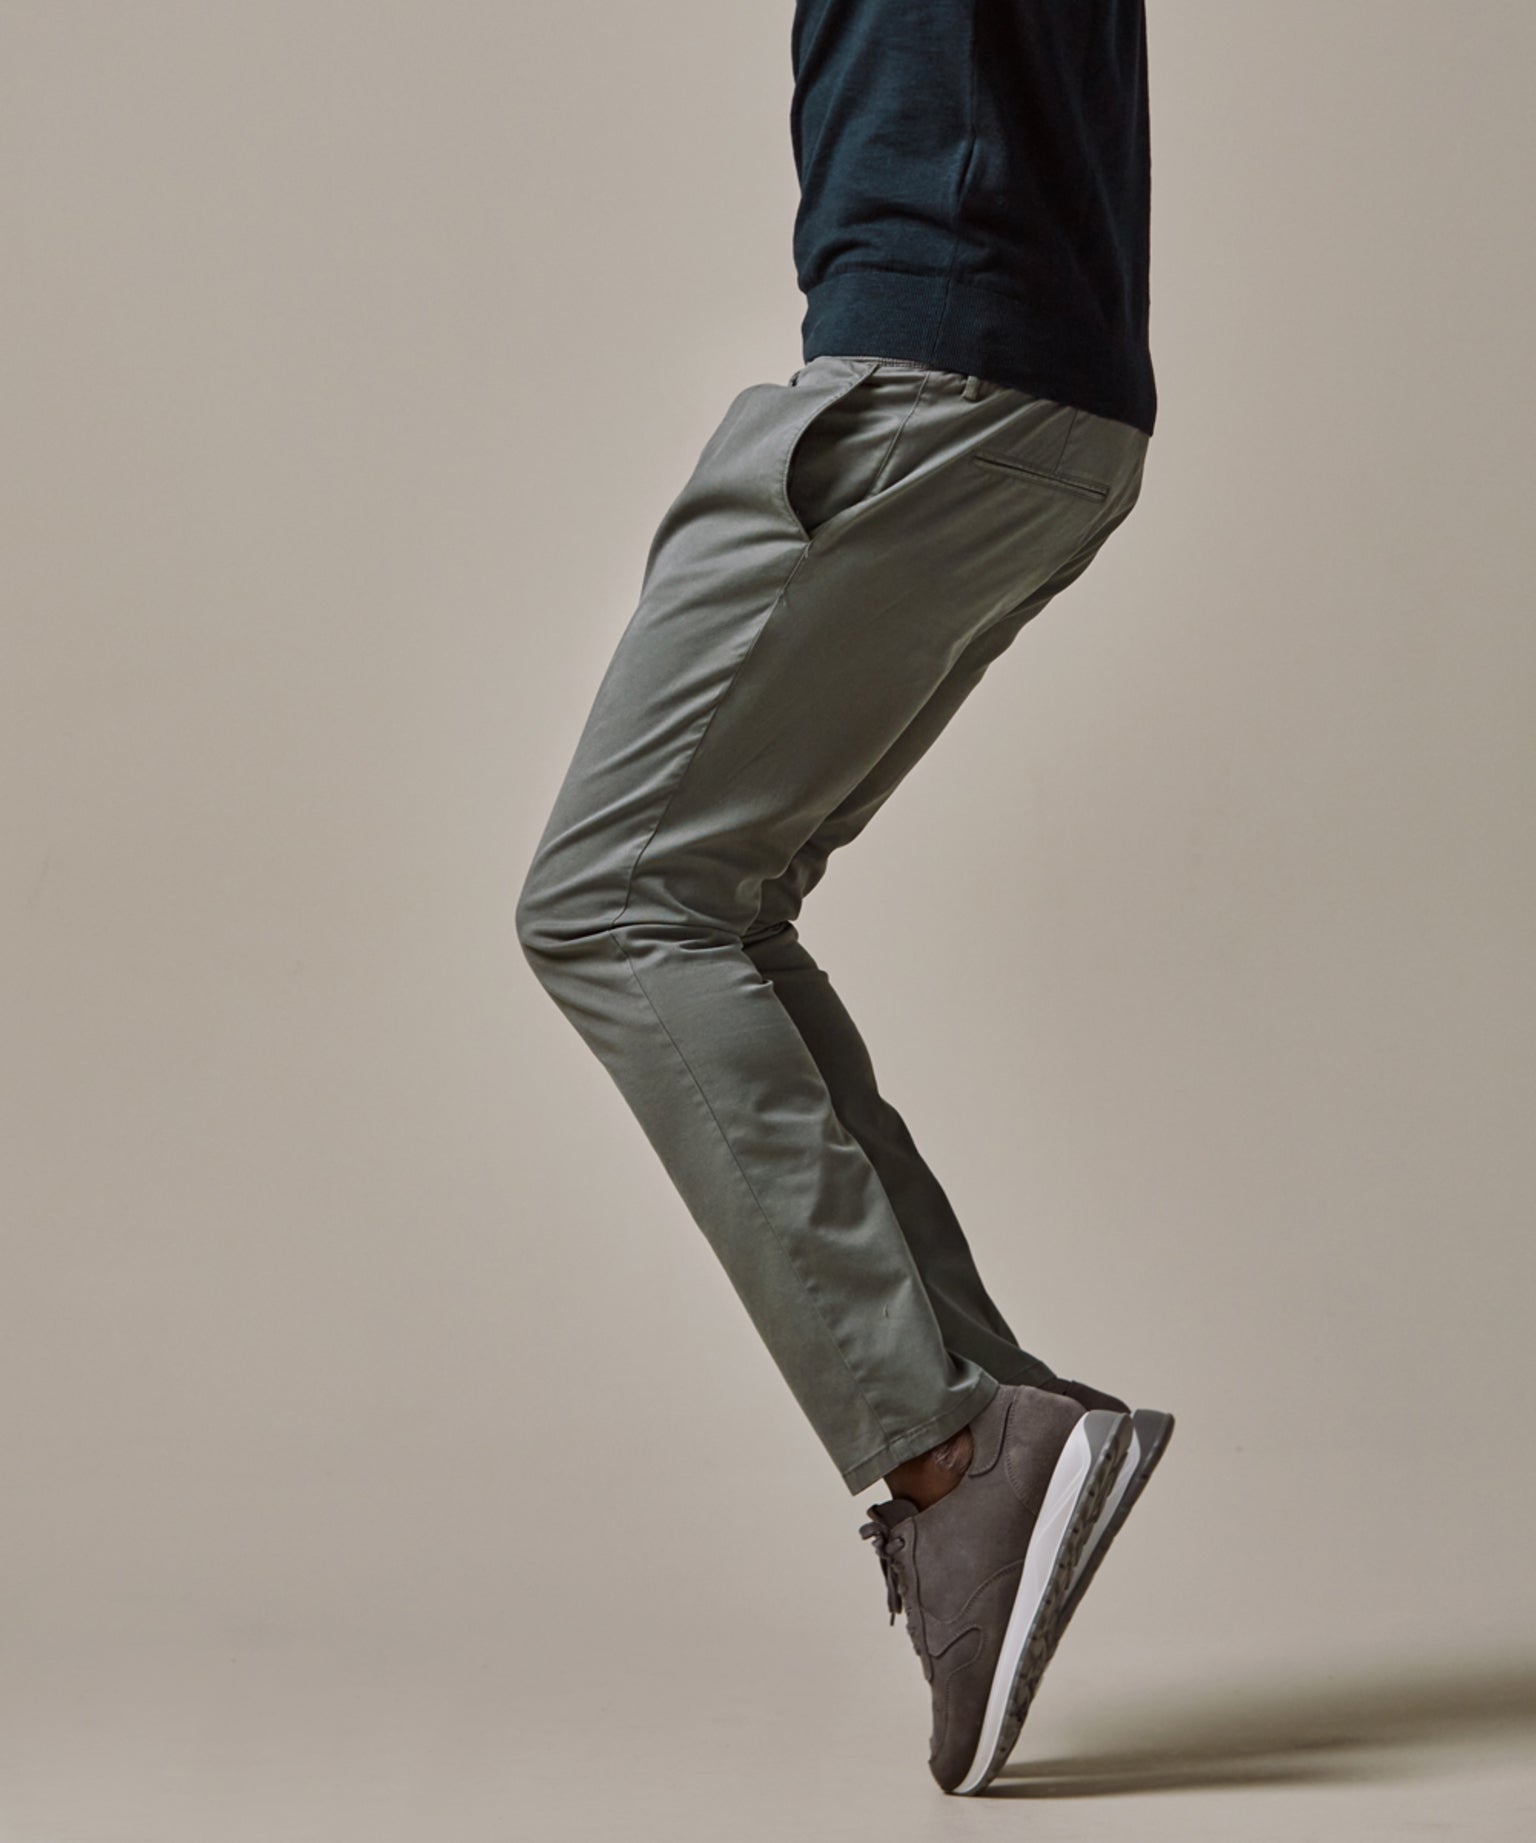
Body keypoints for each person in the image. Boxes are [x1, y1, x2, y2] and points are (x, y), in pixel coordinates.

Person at [517, 0, 1173, 1795]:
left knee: (617, 906)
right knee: (709, 905)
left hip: (928, 367)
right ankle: (992, 1432)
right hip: (1048, 390)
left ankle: (952, 1455)